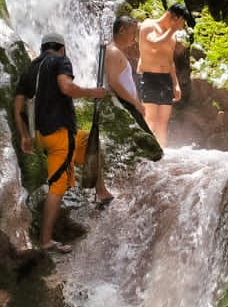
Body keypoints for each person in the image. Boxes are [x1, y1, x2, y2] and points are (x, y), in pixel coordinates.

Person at [13, 32, 110, 251]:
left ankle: (101, 190)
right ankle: (46, 240)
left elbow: (18, 108)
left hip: (43, 136)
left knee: (89, 142)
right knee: (57, 186)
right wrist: (92, 92)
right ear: (62, 48)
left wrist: (24, 136)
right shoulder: (60, 61)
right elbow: (66, 87)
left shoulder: (30, 70)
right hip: (59, 135)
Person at [137, 3, 194, 147]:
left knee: (162, 122)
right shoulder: (149, 25)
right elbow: (154, 44)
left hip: (165, 80)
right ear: (172, 17)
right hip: (149, 77)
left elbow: (170, 61)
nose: (180, 28)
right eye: (180, 24)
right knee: (150, 119)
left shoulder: (172, 35)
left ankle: (162, 151)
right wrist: (172, 30)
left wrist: (176, 84)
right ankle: (147, 152)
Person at [103, 15, 151, 136]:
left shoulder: (115, 51)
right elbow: (113, 82)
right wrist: (135, 103)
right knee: (150, 147)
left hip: (127, 105)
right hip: (125, 105)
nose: (134, 39)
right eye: (132, 33)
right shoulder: (113, 52)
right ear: (122, 31)